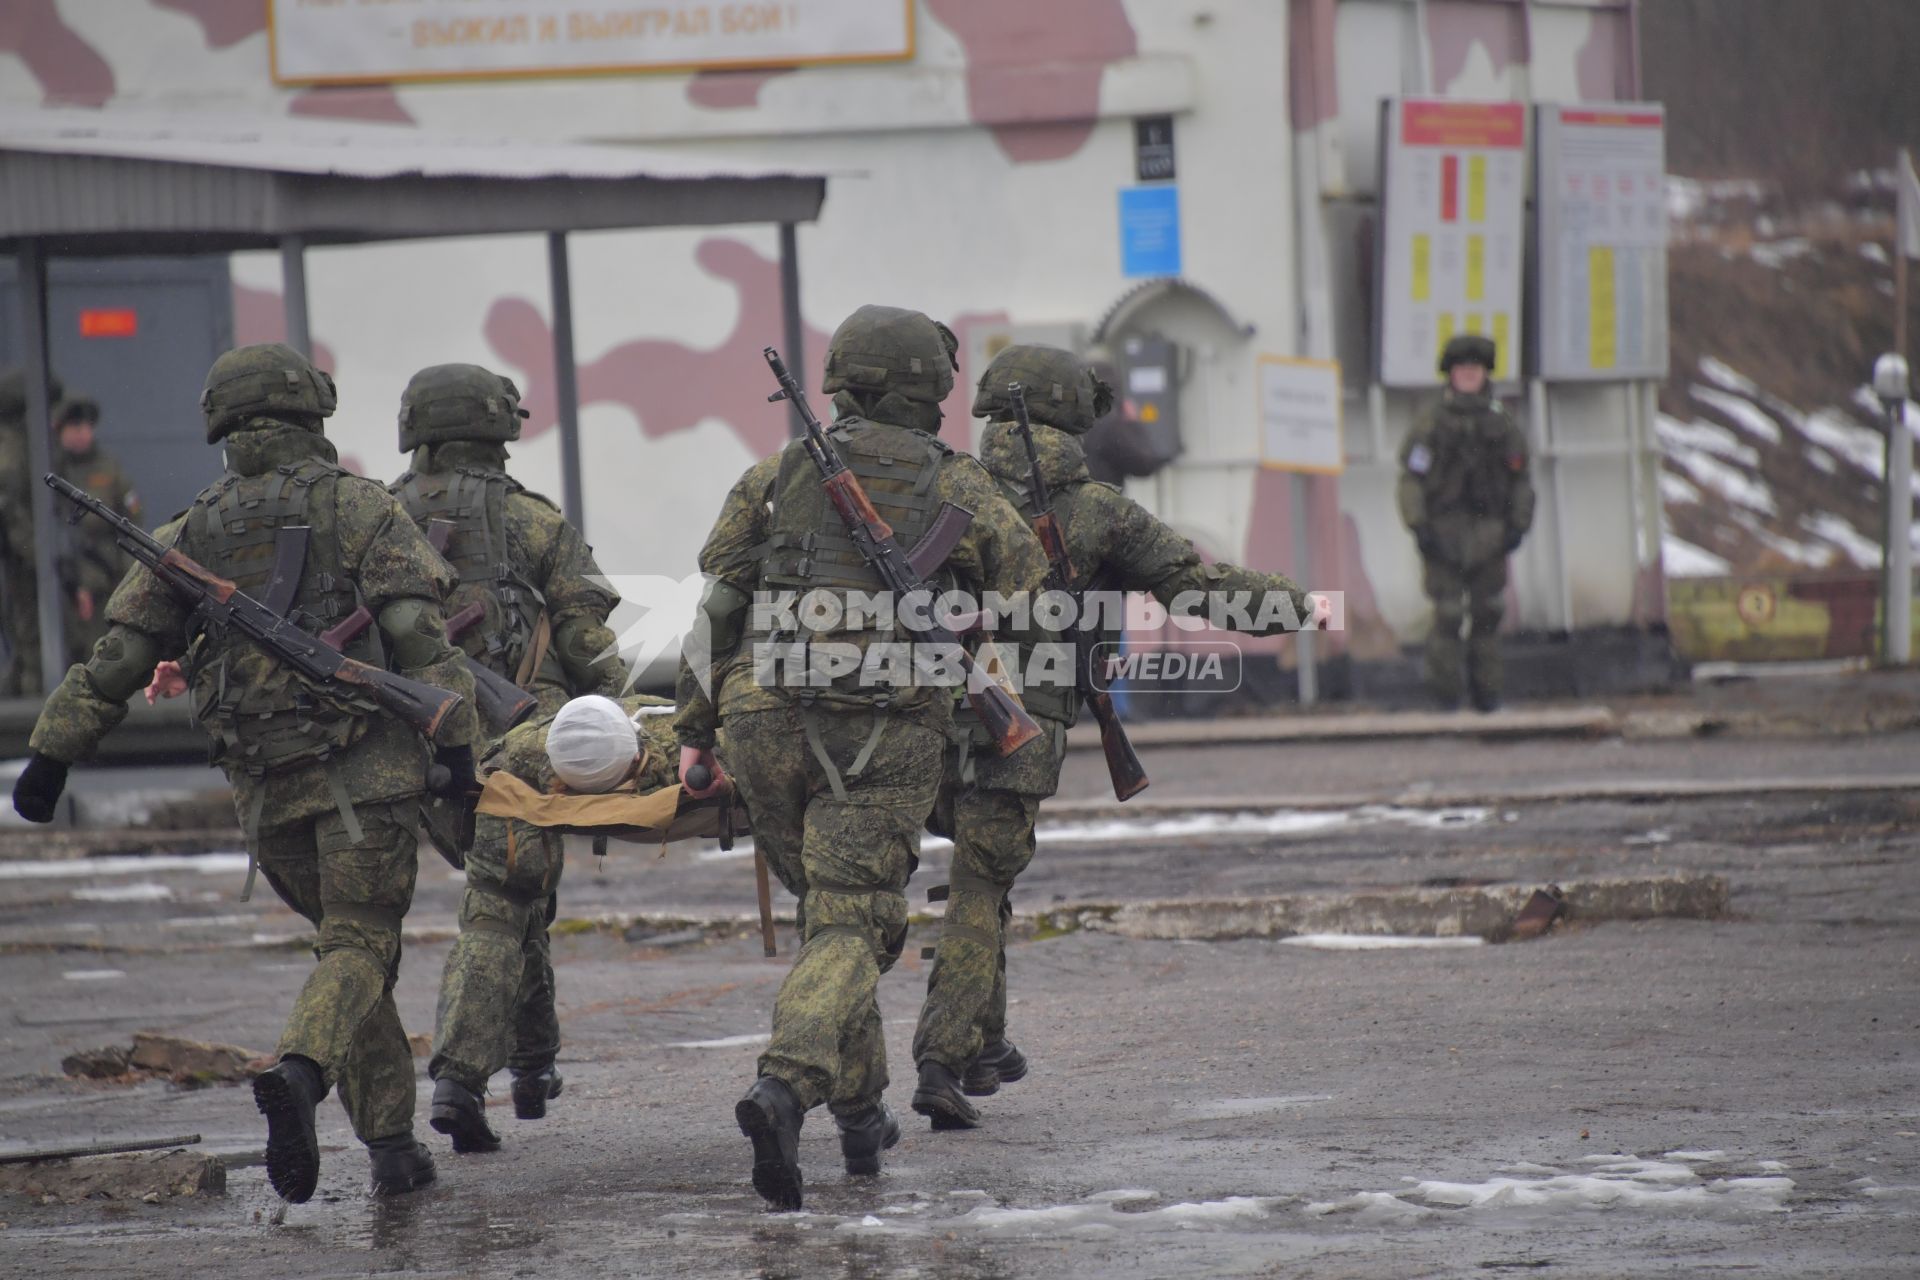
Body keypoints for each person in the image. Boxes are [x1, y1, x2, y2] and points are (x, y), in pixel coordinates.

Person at [9, 343, 480, 1203]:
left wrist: (50, 755)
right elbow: (419, 637)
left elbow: (117, 660)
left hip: (264, 792)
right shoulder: (360, 507)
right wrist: (459, 750)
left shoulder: (190, 529)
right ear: (312, 410)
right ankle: (298, 1073)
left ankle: (390, 1147)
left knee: (348, 952)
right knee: (360, 945)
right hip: (364, 779)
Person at [673, 304, 1049, 1210]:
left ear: (843, 381)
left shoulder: (771, 475)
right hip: (878, 723)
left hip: (760, 713)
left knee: (832, 922)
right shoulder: (959, 483)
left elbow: (716, 609)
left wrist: (694, 729)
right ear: (930, 387)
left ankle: (861, 1115)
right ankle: (788, 1082)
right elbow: (1031, 589)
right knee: (850, 928)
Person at [910, 344, 1332, 1130]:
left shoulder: (940, 488)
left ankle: (985, 1040)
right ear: (1074, 415)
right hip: (1020, 724)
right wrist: (1299, 607)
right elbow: (1199, 588)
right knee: (980, 882)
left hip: (923, 714)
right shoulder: (1099, 508)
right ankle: (941, 1056)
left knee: (979, 874)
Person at [387, 362, 631, 1148]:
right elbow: (588, 638)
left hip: (415, 750)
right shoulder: (532, 522)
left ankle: (532, 1060)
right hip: (522, 751)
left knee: (519, 899)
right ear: (498, 429)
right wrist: (621, 716)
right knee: (503, 907)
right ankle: (462, 1076)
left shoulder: (377, 516)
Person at [429, 691, 684, 1153]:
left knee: (496, 919)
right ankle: (523, 1072)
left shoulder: (525, 748)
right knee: (502, 920)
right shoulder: (669, 747)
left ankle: (463, 1082)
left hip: (519, 786)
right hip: (523, 779)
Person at [1396, 334, 1535, 712]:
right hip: (1442, 533)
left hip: (1489, 533)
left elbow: (1520, 479)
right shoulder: (1431, 424)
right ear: (1451, 375)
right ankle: (1445, 697)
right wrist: (1419, 525)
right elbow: (1411, 479)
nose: (1469, 376)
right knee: (1448, 616)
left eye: (1475, 370)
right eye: (1462, 370)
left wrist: (1517, 526)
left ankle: (1488, 697)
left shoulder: (1502, 424)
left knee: (1487, 615)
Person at [53, 394, 142, 667]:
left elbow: (132, 517)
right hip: (71, 573)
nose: (81, 434)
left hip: (112, 565)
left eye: (85, 427)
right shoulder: (54, 468)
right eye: (74, 428)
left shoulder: (108, 466)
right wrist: (80, 582)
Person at [0, 368, 63, 696]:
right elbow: (12, 505)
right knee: (28, 630)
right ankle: (32, 695)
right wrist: (36, 552)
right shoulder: (14, 445)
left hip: (25, 551)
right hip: (22, 554)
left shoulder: (27, 439)